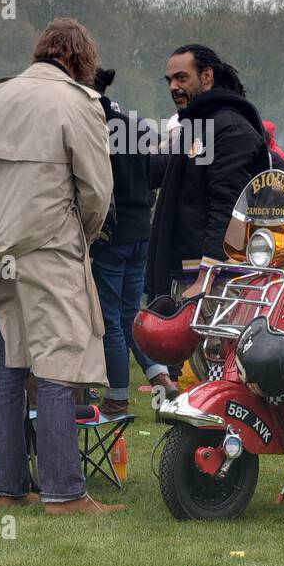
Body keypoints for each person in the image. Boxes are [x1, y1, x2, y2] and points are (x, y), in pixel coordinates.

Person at [0, 18, 120, 515]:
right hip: (50, 247)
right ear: (82, 60)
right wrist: (78, 230)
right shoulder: (79, 103)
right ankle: (63, 492)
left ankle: (9, 487)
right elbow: (97, 191)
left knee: (9, 361)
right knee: (59, 362)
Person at [145, 44, 269, 300]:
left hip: (213, 283)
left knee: (209, 343)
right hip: (188, 275)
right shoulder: (199, 126)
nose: (173, 87)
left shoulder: (230, 129)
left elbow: (228, 208)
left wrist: (207, 275)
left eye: (181, 78)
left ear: (207, 76)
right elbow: (164, 177)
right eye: (169, 80)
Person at [90, 67, 173, 416]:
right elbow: (152, 173)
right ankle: (160, 376)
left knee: (110, 320)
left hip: (113, 233)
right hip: (141, 230)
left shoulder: (92, 125)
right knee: (130, 317)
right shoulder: (133, 126)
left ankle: (117, 397)